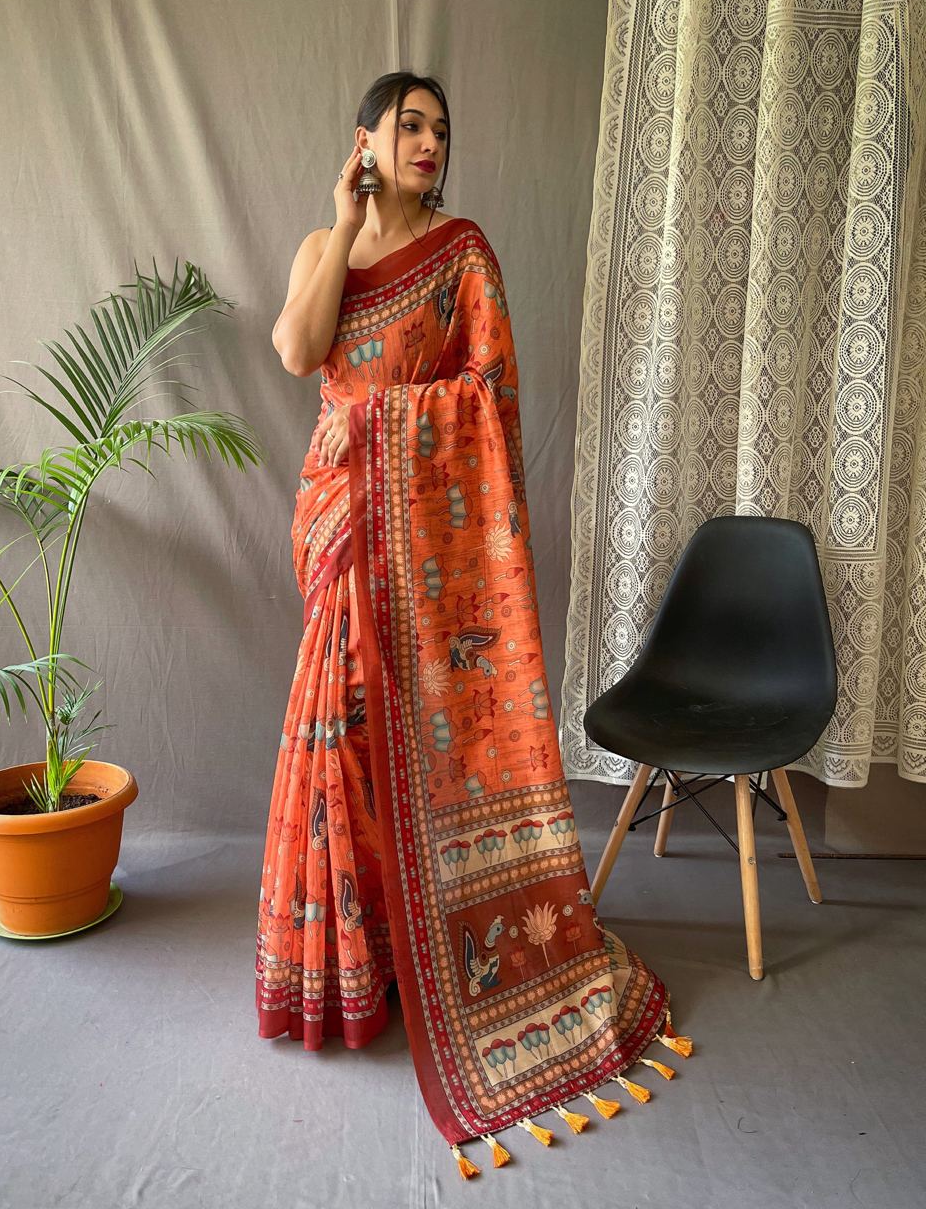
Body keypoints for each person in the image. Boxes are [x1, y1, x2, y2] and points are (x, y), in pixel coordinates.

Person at [256, 71, 693, 1178]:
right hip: (338, 518)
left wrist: (387, 422)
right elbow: (300, 354)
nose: (430, 143)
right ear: (366, 138)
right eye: (410, 125)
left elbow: (489, 397)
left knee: (404, 735)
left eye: (441, 130)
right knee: (339, 739)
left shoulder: (462, 258)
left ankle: (425, 946)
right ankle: (352, 964)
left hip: (419, 534)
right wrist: (344, 224)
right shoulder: (322, 246)